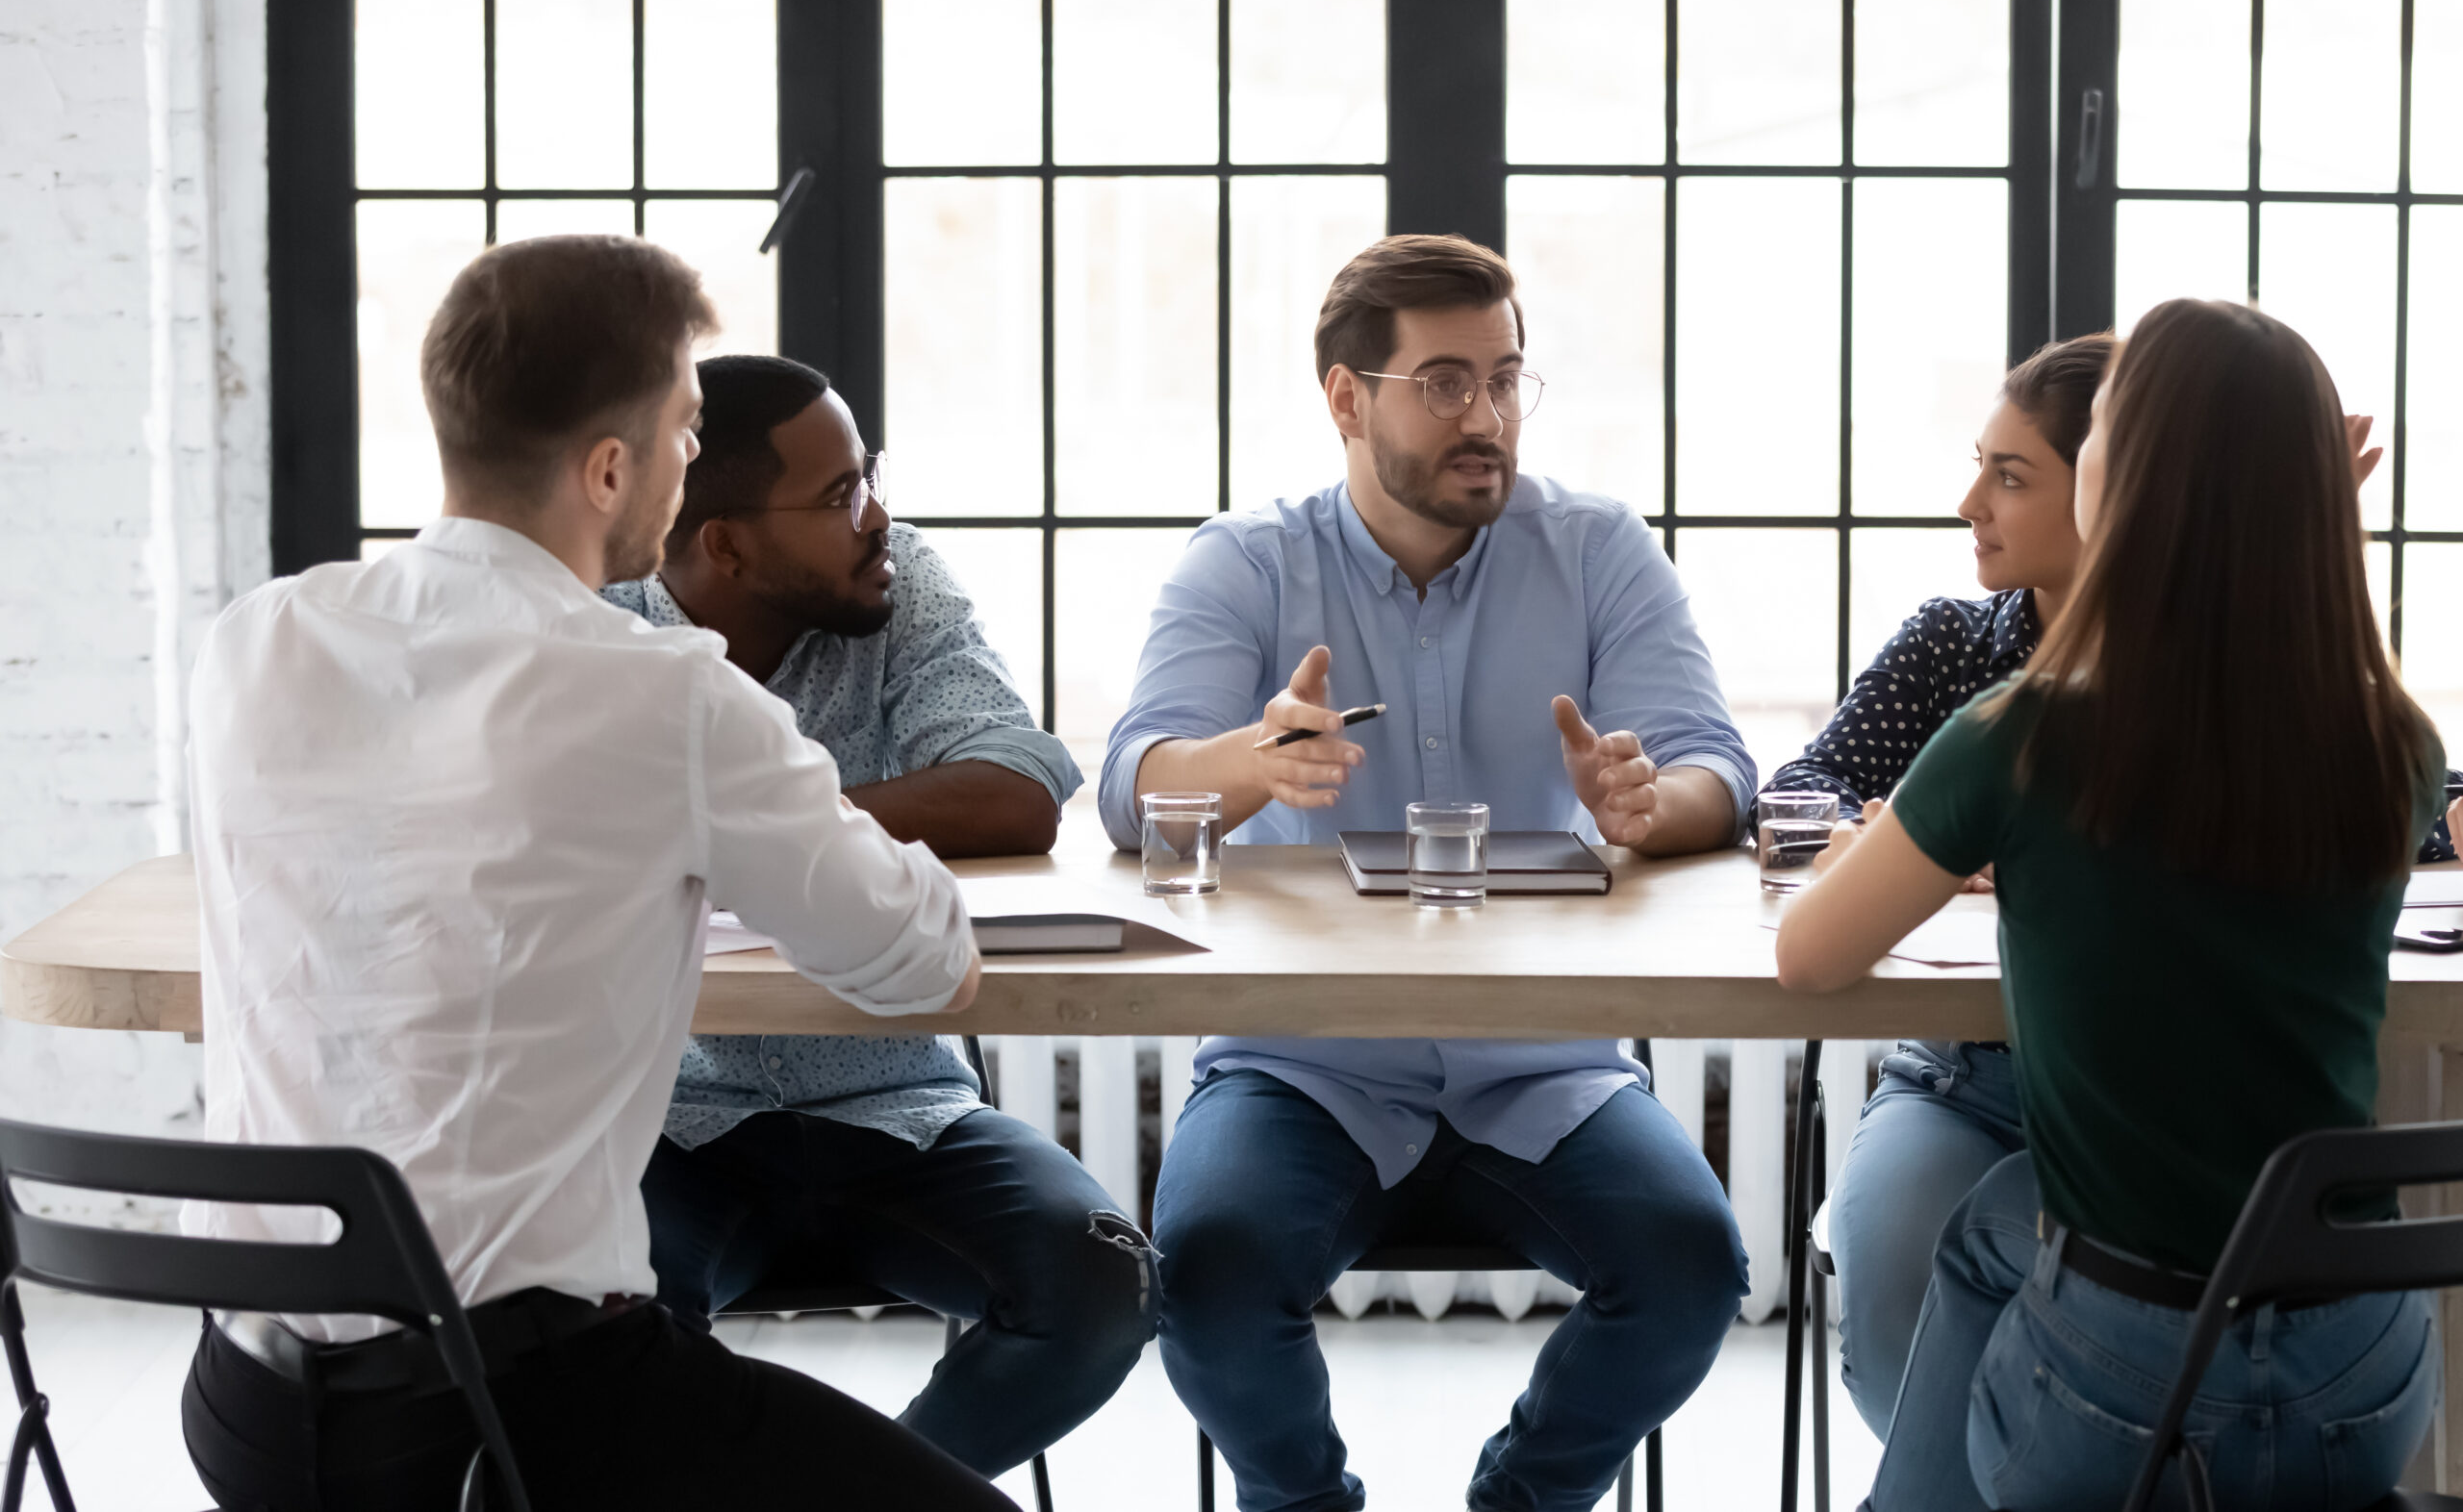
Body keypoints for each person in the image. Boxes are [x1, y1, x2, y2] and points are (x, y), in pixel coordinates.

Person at [178, 237, 1013, 1512]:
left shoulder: (254, 643)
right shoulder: (661, 690)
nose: (690, 464)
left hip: (244, 1401)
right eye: (685, 433)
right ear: (611, 467)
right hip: (509, 1423)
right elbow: (920, 959)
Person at [1103, 234, 1754, 1512]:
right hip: (1305, 1058)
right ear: (1348, 398)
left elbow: (1713, 767)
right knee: (1207, 1276)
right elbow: (1135, 783)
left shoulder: (1598, 547)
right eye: (1446, 383)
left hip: (1547, 1058)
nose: (1489, 416)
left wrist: (1648, 803)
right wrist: (1256, 756)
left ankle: (1521, 1499)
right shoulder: (1245, 560)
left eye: (1508, 379)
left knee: (1692, 1268)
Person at [1776, 297, 2444, 1512]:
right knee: (1998, 1210)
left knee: (1995, 1229)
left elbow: (1808, 959)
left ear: (2119, 481)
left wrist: (1872, 847)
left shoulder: (2020, 738)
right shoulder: (2392, 738)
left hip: (2125, 1386)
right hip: (2373, 1373)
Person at [601, 353, 1154, 1479]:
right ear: (726, 542)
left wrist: (761, 831)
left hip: (900, 1108)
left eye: (870, 477)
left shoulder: (896, 587)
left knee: (1106, 1283)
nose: (878, 516)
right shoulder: (597, 628)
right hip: (671, 1117)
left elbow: (1015, 784)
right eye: (840, 493)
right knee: (598, 1331)